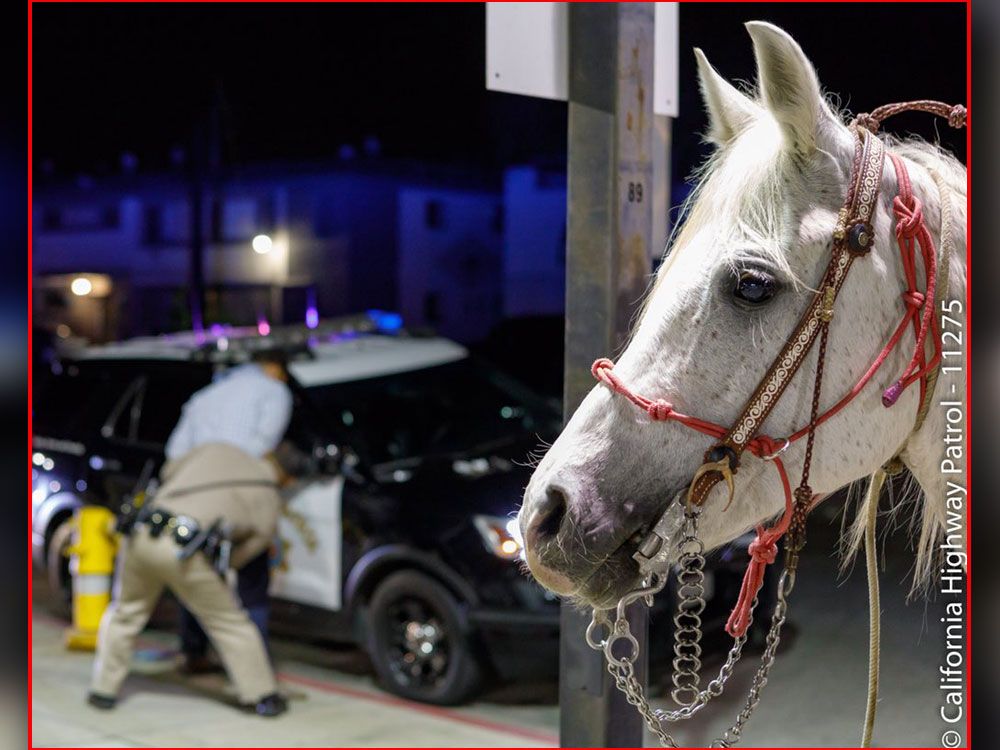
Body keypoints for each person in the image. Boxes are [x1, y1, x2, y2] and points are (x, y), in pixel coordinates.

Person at [88, 350, 294, 716]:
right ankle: (262, 695)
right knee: (230, 621)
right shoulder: (262, 482)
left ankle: (103, 689)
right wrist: (221, 567)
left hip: (143, 533)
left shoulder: (206, 431)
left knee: (125, 613)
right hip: (184, 548)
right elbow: (258, 540)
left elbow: (171, 462)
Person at [163, 351, 294, 673]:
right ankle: (254, 664)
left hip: (196, 497)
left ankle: (193, 652)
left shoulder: (205, 397)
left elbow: (174, 452)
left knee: (196, 572)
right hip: (240, 493)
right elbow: (264, 447)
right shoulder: (274, 391)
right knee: (251, 580)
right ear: (275, 367)